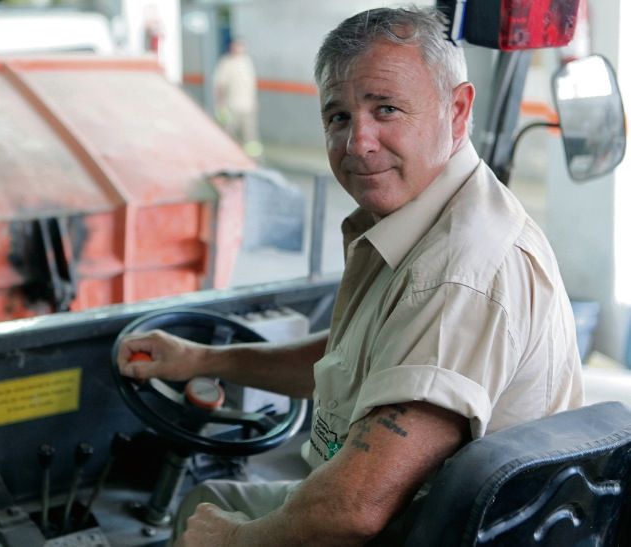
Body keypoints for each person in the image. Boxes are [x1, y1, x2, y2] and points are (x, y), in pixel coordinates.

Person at [117, 6, 583, 546]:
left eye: (386, 109)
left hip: (424, 531)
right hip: (418, 514)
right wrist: (200, 359)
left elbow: (359, 506)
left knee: (209, 520)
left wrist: (232, 542)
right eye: (338, 117)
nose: (357, 142)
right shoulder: (419, 220)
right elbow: (351, 359)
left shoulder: (460, 272)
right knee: (211, 501)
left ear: (456, 110)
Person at [213, 38, 262, 157]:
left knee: (250, 139)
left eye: (241, 46)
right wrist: (220, 107)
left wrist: (255, 103)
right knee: (229, 137)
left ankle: (254, 162)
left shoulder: (247, 61)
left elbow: (251, 85)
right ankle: (230, 160)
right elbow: (220, 86)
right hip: (231, 107)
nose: (238, 49)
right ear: (231, 47)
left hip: (248, 107)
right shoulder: (226, 63)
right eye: (236, 46)